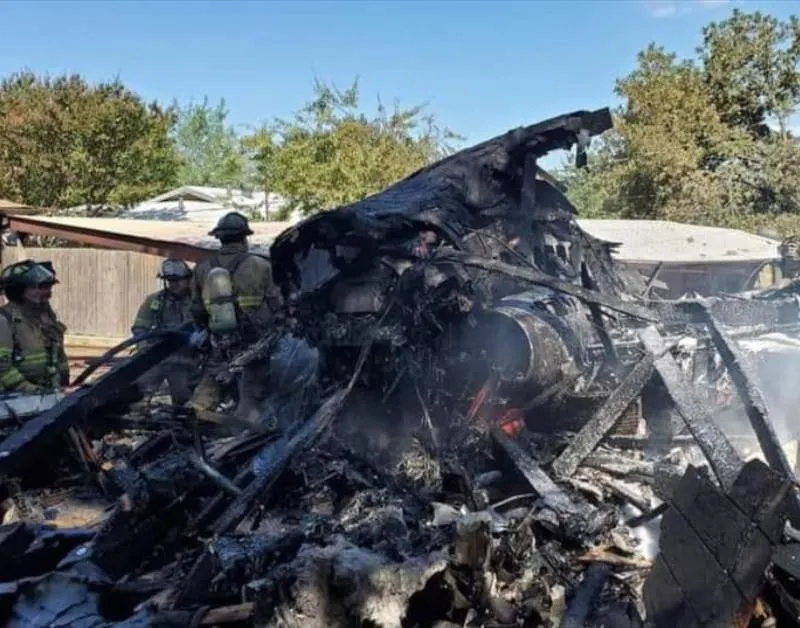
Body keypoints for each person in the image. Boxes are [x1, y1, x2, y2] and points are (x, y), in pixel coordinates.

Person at [189, 211, 283, 426]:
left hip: (218, 339)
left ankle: (192, 422)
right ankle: (242, 433)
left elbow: (196, 308)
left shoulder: (203, 268)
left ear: (220, 239)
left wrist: (210, 328)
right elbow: (276, 303)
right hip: (253, 341)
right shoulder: (261, 265)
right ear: (244, 238)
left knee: (211, 382)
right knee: (252, 389)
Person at [131, 258, 198, 406]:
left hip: (185, 361)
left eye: (177, 280)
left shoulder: (197, 301)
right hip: (156, 359)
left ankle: (182, 425)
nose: (173, 285)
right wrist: (144, 350)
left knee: (183, 399)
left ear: (188, 279)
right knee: (139, 393)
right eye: (169, 280)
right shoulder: (154, 301)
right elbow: (140, 328)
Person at [0, 260, 69, 393]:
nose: (46, 292)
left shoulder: (46, 318)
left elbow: (59, 356)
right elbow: (2, 367)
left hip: (48, 396)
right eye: (37, 287)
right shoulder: (5, 320)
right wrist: (30, 389)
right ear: (18, 290)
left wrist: (65, 384)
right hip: (15, 401)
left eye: (47, 286)